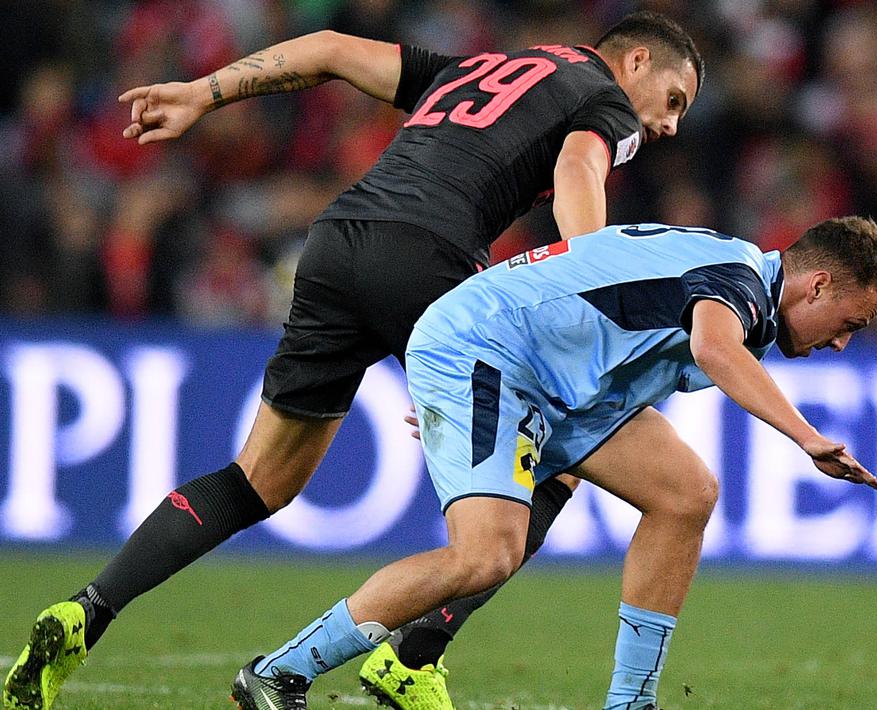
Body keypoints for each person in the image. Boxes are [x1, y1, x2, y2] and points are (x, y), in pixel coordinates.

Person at [3, 12, 703, 710]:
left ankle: (86, 611)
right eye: (672, 101)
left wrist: (200, 92)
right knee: (561, 452)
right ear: (635, 61)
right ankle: (412, 659)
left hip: (338, 245)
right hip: (432, 258)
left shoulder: (477, 68)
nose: (669, 125)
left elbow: (332, 50)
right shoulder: (606, 99)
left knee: (261, 480)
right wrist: (595, 286)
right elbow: (579, 165)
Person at [229, 217, 877, 709]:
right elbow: (713, 350)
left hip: (539, 376)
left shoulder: (736, 276)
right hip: (486, 350)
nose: (842, 344)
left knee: (685, 493)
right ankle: (278, 672)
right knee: (484, 556)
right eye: (848, 322)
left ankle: (629, 703)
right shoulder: (735, 282)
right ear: (815, 285)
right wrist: (804, 437)